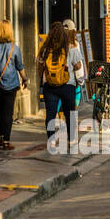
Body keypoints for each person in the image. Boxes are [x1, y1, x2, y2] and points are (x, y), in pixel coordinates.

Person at [0, 19, 26, 150]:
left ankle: (1, 136)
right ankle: (6, 140)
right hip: (10, 85)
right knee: (8, 113)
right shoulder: (15, 48)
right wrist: (25, 78)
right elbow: (20, 66)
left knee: (0, 111)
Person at [38, 20, 79, 152]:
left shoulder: (44, 49)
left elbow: (40, 65)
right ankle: (71, 139)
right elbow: (78, 65)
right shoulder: (71, 47)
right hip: (68, 84)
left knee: (51, 113)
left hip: (49, 85)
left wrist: (43, 79)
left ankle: (51, 141)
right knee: (69, 113)